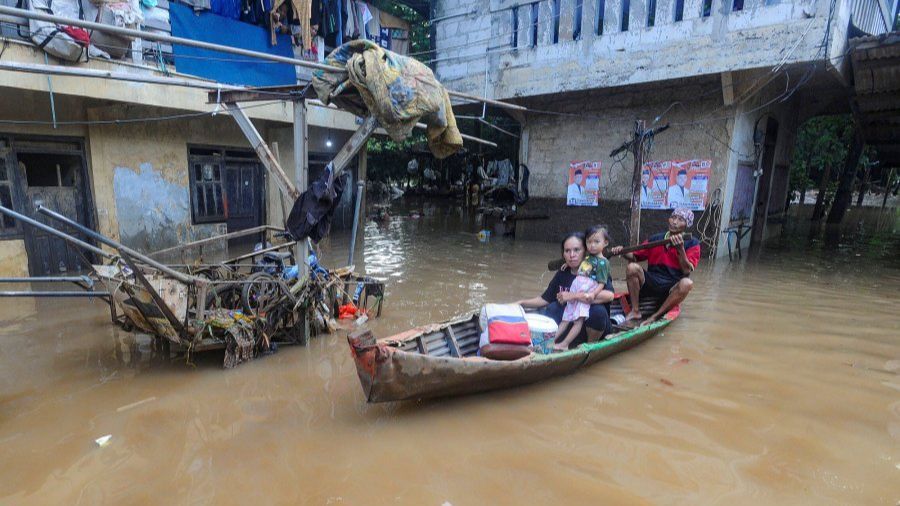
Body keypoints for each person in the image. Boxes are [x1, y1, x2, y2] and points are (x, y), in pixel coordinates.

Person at [516, 232, 615, 348]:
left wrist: (573, 296)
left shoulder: (597, 270)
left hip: (595, 329)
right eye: (567, 251)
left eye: (577, 250)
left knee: (597, 312)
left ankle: (589, 347)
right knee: (553, 307)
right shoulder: (563, 272)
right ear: (563, 254)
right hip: (572, 326)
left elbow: (609, 295)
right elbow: (544, 299)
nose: (572, 255)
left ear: (585, 252)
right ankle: (557, 342)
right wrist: (520, 303)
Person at [610, 207, 699, 326]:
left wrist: (680, 249)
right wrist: (621, 251)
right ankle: (635, 311)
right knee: (632, 267)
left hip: (671, 285)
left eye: (680, 219)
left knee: (687, 283)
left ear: (686, 224)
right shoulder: (656, 238)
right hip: (653, 280)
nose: (675, 222)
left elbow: (686, 270)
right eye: (673, 217)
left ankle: (655, 316)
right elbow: (635, 257)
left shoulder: (692, 243)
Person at [553, 226, 611, 351]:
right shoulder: (589, 257)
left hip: (586, 292)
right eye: (589, 242)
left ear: (605, 243)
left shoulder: (603, 263)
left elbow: (602, 283)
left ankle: (565, 344)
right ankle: (551, 340)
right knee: (565, 319)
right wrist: (566, 263)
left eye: (596, 242)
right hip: (577, 286)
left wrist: (593, 294)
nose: (592, 246)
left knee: (578, 321)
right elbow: (581, 264)